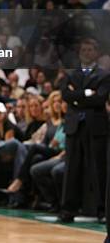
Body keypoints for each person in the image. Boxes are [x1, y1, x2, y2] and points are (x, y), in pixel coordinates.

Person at [59, 38, 110, 222]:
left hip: (96, 126)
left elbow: (100, 99)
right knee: (72, 169)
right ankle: (68, 210)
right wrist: (88, 93)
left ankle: (103, 211)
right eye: (84, 50)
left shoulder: (104, 75)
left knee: (98, 170)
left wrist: (77, 95)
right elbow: (65, 94)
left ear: (96, 52)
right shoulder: (71, 74)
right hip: (74, 125)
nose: (86, 53)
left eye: (90, 50)